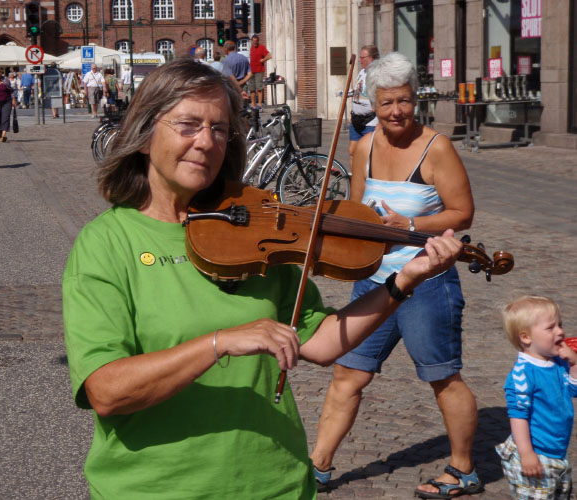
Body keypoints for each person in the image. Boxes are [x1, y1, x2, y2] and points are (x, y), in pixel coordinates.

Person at [62, 58, 463, 500]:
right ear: (144, 134)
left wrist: (403, 281)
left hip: (276, 484)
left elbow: (321, 342)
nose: (206, 142)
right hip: (155, 488)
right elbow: (106, 390)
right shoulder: (106, 244)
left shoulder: (251, 228)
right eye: (188, 124)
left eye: (219, 129)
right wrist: (220, 342)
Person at [310, 52, 480, 500]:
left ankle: (463, 469)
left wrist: (407, 227)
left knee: (442, 376)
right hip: (375, 282)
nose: (396, 111)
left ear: (414, 98)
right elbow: (360, 213)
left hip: (428, 280)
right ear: (373, 103)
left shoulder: (435, 147)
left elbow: (462, 213)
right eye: (386, 103)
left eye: (403, 101)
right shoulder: (363, 147)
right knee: (347, 373)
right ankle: (318, 467)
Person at [496, 296, 577, 500]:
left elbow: (574, 390)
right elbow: (518, 416)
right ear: (526, 337)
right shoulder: (523, 374)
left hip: (557, 450)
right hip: (536, 453)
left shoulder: (558, 362)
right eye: (551, 328)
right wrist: (526, 454)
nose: (560, 331)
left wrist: (574, 364)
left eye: (560, 324)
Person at [348, 45, 379, 164]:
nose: (360, 60)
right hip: (356, 119)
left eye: (362, 57)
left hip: (370, 122)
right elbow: (357, 94)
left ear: (371, 58)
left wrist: (380, 121)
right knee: (352, 152)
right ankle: (356, 181)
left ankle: (368, 180)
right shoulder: (361, 73)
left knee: (369, 155)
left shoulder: (377, 74)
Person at [248, 35, 272, 109]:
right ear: (252, 41)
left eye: (256, 41)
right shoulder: (251, 48)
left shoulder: (262, 47)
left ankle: (260, 104)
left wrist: (263, 60)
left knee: (259, 87)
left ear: (258, 41)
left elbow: (270, 55)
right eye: (253, 41)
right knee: (252, 88)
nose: (254, 42)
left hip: (259, 70)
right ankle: (253, 104)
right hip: (252, 70)